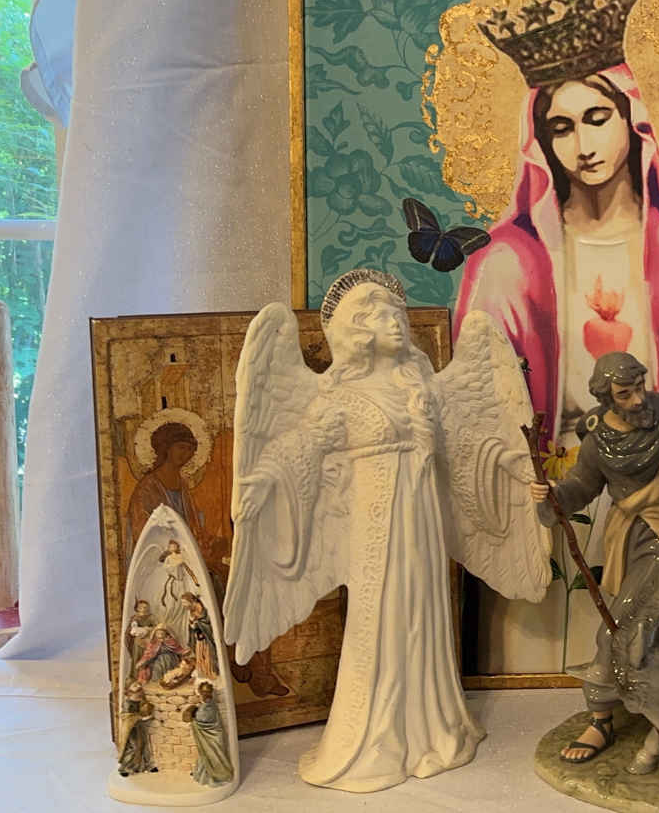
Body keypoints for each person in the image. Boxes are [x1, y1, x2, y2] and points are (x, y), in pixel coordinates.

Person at [224, 270, 548, 793]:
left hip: (422, 522)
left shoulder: (421, 388)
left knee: (424, 609)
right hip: (375, 525)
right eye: (377, 314)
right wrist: (261, 481)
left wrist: (516, 464)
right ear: (354, 330)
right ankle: (375, 735)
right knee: (381, 614)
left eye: (397, 313)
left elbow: (470, 445)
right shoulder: (341, 397)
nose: (395, 321)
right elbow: (301, 445)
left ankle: (432, 724)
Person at [457, 0, 659, 452]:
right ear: (541, 142)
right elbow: (479, 406)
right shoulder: (506, 261)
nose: (584, 146)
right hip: (558, 468)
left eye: (597, 119)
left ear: (631, 120)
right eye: (561, 128)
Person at [529, 351, 659, 763]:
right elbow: (581, 487)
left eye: (640, 387)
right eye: (625, 394)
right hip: (650, 540)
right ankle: (601, 715)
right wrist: (553, 496)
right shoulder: (599, 442)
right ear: (606, 399)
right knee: (624, 621)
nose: (639, 399)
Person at [185, 682, 235, 787]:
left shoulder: (208, 706)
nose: (205, 694)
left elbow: (203, 719)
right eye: (203, 692)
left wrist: (193, 715)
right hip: (212, 736)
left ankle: (218, 776)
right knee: (206, 756)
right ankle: (202, 774)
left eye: (207, 692)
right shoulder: (208, 704)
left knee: (214, 756)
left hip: (212, 737)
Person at [117, 686, 156, 777]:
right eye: (137, 694)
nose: (139, 696)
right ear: (131, 694)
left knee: (143, 746)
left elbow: (143, 709)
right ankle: (125, 768)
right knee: (133, 747)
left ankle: (143, 766)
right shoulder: (128, 704)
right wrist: (142, 718)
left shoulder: (139, 701)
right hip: (131, 729)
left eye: (140, 694)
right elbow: (128, 717)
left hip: (138, 727)